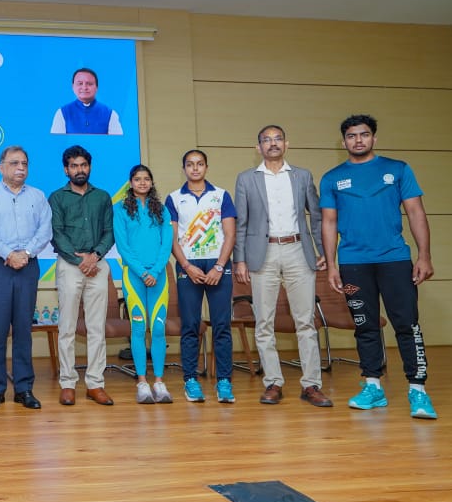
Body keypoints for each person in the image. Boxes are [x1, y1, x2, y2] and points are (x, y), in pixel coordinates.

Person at [320, 114, 438, 419]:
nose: (358, 140)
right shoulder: (332, 178)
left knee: (407, 324)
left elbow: (416, 213)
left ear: (374, 138)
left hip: (394, 260)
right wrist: (331, 265)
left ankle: (418, 390)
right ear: (343, 142)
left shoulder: (398, 169)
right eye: (351, 136)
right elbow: (329, 222)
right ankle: (373, 387)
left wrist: (424, 256)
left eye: (364, 134)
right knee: (365, 326)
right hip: (353, 263)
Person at [233, 125, 332, 407]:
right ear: (258, 148)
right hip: (261, 254)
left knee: (305, 321)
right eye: (266, 140)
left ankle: (311, 384)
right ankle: (273, 382)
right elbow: (241, 223)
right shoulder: (246, 179)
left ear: (286, 144)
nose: (273, 143)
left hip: (298, 250)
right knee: (264, 322)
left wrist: (324, 251)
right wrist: (240, 259)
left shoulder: (302, 176)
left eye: (277, 139)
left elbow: (316, 217)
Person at [0, 146, 53, 410]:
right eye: (14, 163)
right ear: (1, 167)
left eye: (24, 163)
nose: (21, 168)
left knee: (23, 329)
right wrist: (9, 254)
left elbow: (45, 231)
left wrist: (26, 254)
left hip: (28, 266)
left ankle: (24, 388)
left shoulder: (38, 196)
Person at [165, 150, 237, 403]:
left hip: (218, 265)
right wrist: (186, 266)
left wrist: (219, 266)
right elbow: (171, 238)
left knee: (221, 325)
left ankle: (224, 381)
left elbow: (230, 234)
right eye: (190, 164)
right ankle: (191, 380)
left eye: (199, 164)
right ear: (184, 168)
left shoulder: (221, 195)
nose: (195, 168)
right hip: (189, 267)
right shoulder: (174, 198)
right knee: (190, 325)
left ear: (206, 167)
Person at [48, 145, 115, 406]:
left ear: (90, 167)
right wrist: (80, 260)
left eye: (83, 165)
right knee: (67, 327)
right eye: (74, 166)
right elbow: (57, 233)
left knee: (96, 328)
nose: (80, 170)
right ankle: (67, 383)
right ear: (66, 170)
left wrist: (94, 256)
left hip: (97, 266)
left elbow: (109, 232)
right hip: (69, 266)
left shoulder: (102, 197)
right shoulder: (57, 198)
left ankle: (95, 383)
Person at [113, 164, 174, 404]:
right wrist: (142, 272)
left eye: (146, 179)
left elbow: (166, 244)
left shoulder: (162, 210)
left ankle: (158, 382)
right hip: (134, 277)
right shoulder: (120, 209)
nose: (142, 183)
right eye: (137, 179)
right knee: (138, 328)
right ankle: (142, 383)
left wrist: (155, 271)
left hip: (158, 277)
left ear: (151, 182)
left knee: (157, 329)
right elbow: (123, 246)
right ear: (131, 183)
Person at [50, 67, 123, 135]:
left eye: (89, 84)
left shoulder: (110, 114)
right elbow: (56, 141)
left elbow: (118, 141)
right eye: (80, 83)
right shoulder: (62, 113)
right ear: (73, 86)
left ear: (97, 87)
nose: (84, 87)